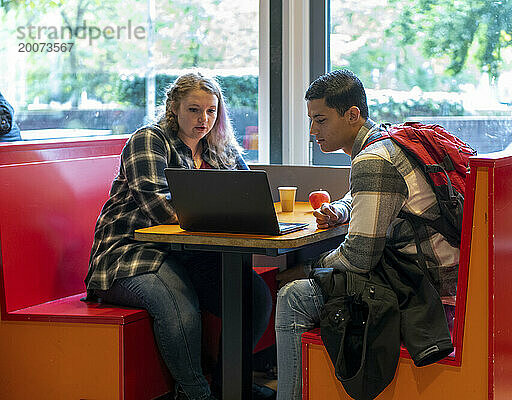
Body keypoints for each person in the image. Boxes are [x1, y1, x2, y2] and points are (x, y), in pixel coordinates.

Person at [85, 72, 275, 400]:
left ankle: (229, 386)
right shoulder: (150, 139)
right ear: (174, 107)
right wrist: (224, 214)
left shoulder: (217, 147)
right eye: (194, 109)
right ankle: (195, 394)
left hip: (187, 253)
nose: (204, 119)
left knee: (253, 297)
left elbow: (249, 194)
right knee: (180, 305)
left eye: (212, 111)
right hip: (130, 252)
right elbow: (157, 206)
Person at [275, 69, 460, 399]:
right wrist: (342, 210)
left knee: (293, 295)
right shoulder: (388, 140)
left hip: (424, 285)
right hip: (441, 272)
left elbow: (359, 257)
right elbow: (369, 196)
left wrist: (306, 269)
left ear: (352, 115)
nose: (312, 130)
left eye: (320, 120)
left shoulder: (373, 160)